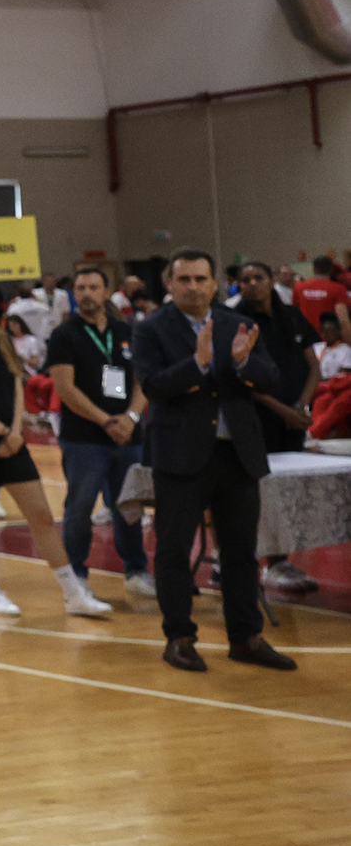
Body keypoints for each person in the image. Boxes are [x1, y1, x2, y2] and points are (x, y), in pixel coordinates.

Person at [134, 248, 295, 672]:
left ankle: (245, 637)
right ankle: (180, 637)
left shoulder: (236, 323)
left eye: (201, 279)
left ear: (214, 283)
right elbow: (153, 386)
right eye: (184, 279)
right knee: (173, 550)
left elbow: (272, 377)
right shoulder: (152, 329)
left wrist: (242, 361)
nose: (193, 287)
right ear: (169, 284)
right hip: (181, 456)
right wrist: (197, 364)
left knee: (241, 551)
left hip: (235, 453)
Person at [0, 286, 113, 619]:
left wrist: (16, 432)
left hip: (12, 440)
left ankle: (74, 593)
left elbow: (17, 387)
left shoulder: (3, 341)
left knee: (42, 517)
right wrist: (2, 432)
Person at [44, 266, 153, 605]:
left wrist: (131, 417)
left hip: (128, 435)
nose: (86, 293)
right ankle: (76, 577)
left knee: (129, 506)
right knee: (80, 507)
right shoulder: (64, 334)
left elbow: (143, 381)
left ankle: (136, 571)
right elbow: (65, 388)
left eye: (93, 287)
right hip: (84, 439)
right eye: (80, 288)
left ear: (107, 292)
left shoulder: (129, 331)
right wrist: (108, 421)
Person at [229, 260, 324, 594]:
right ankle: (260, 560)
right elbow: (240, 381)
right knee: (258, 490)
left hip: (294, 416)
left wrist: (301, 406)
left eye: (258, 278)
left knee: (287, 490)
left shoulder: (293, 317)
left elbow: (314, 366)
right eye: (245, 279)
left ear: (271, 281)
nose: (252, 284)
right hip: (258, 417)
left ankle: (281, 559)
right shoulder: (237, 322)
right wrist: (283, 410)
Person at [291, 254, 348, 336]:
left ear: (314, 269)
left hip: (306, 338)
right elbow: (343, 319)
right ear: (331, 270)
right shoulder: (339, 289)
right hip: (330, 339)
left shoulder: (299, 287)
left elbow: (294, 313)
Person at [320, 312, 351, 381]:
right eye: (325, 330)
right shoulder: (317, 347)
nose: (328, 333)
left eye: (331, 330)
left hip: (333, 387)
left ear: (339, 331)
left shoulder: (346, 350)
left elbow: (343, 376)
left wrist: (319, 381)